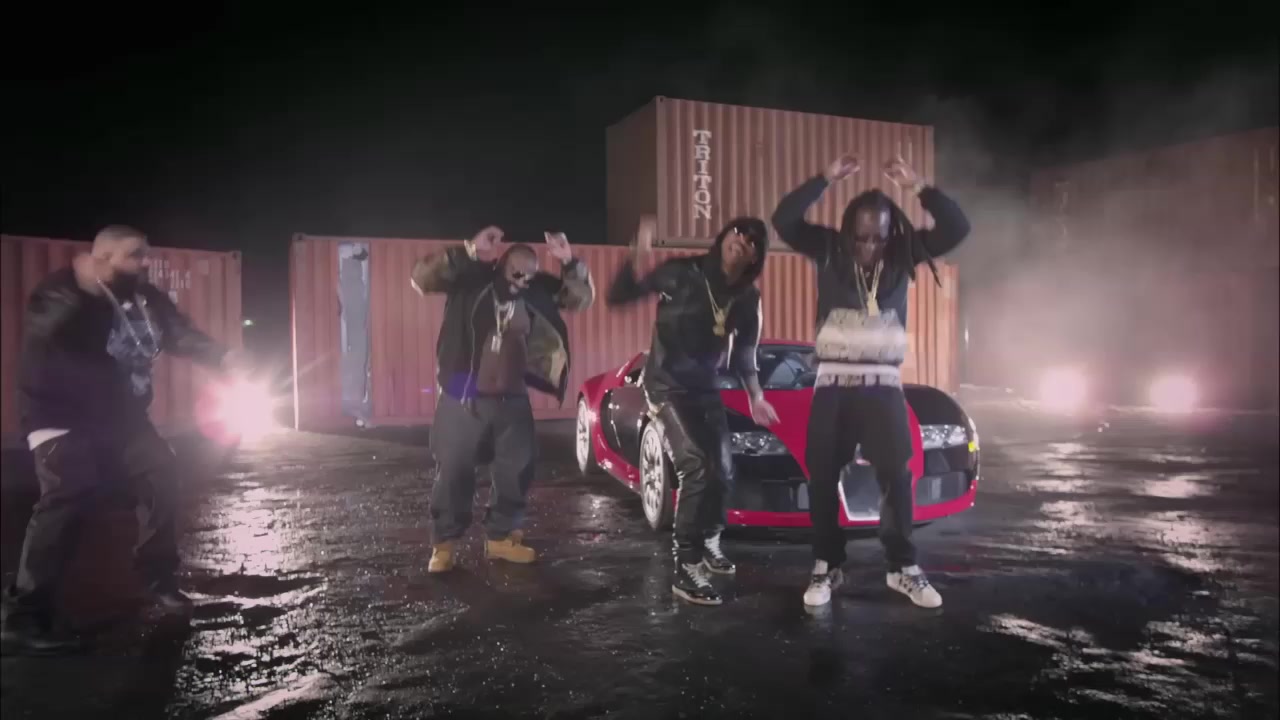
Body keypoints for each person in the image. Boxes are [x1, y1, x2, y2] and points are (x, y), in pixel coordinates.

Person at [1, 225, 241, 655]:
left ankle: (157, 578)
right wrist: (82, 294)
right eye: (134, 255)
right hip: (61, 415)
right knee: (67, 497)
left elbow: (178, 333)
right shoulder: (61, 290)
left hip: (121, 417)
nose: (144, 263)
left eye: (146, 254)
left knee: (162, 472)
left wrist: (222, 356)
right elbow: (48, 325)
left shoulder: (147, 298)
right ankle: (24, 616)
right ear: (104, 257)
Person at [771, 155, 971, 609]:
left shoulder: (903, 253)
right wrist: (823, 178)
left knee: (897, 474)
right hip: (833, 385)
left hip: (883, 385)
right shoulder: (828, 248)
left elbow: (957, 227)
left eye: (878, 238)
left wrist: (918, 186)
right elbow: (784, 219)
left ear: (890, 233)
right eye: (861, 237)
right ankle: (827, 564)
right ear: (848, 231)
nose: (869, 247)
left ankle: (902, 568)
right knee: (823, 475)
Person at [606, 215, 779, 606]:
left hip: (704, 388)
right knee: (696, 465)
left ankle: (711, 539)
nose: (742, 241)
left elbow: (745, 353)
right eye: (738, 232)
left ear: (756, 257)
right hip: (665, 385)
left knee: (724, 469)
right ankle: (686, 565)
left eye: (753, 241)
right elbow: (620, 296)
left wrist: (755, 396)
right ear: (724, 236)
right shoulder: (681, 273)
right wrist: (637, 253)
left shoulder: (747, 298)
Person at [410, 226, 594, 572]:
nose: (522, 282)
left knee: (516, 469)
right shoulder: (470, 281)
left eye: (529, 277)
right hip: (462, 395)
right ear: (501, 265)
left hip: (513, 398)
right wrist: (469, 249)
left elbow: (579, 300)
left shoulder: (535, 291)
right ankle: (444, 545)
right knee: (453, 470)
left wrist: (569, 261)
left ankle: (500, 537)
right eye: (516, 273)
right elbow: (422, 278)